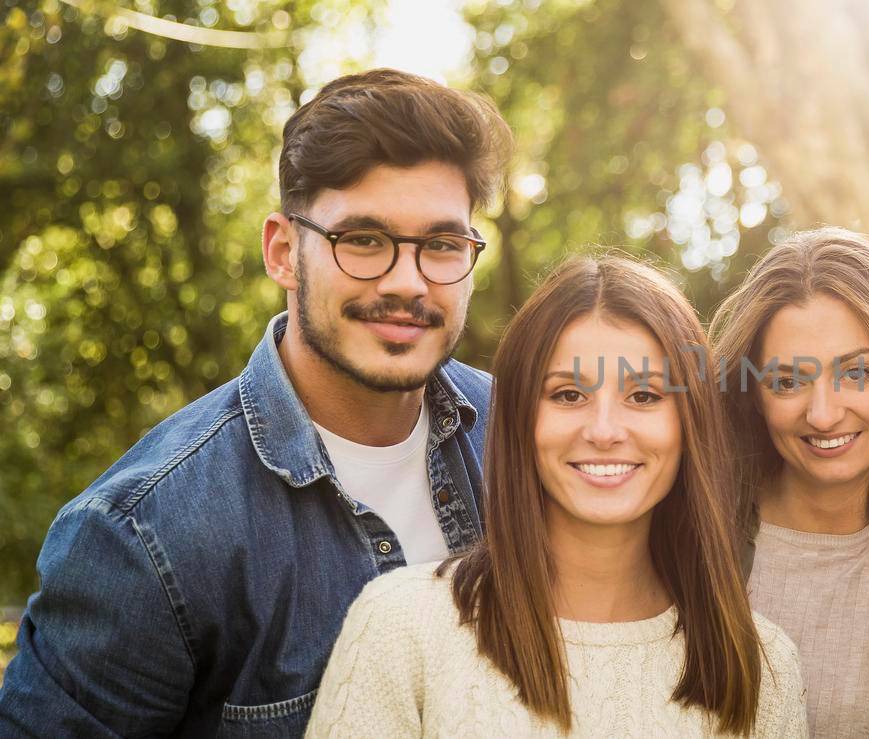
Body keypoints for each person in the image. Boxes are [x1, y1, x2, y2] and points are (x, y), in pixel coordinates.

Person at [0, 69, 511, 736]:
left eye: (442, 245)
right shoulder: (144, 536)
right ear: (281, 250)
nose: (407, 281)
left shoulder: (523, 432)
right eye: (362, 239)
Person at [306, 255, 807, 737]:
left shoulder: (762, 667)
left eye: (644, 396)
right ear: (522, 418)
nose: (605, 430)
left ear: (688, 424)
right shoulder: (402, 627)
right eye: (569, 395)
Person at [709, 228, 869, 738]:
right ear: (752, 396)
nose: (824, 414)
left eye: (856, 374)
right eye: (787, 382)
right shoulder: (694, 529)